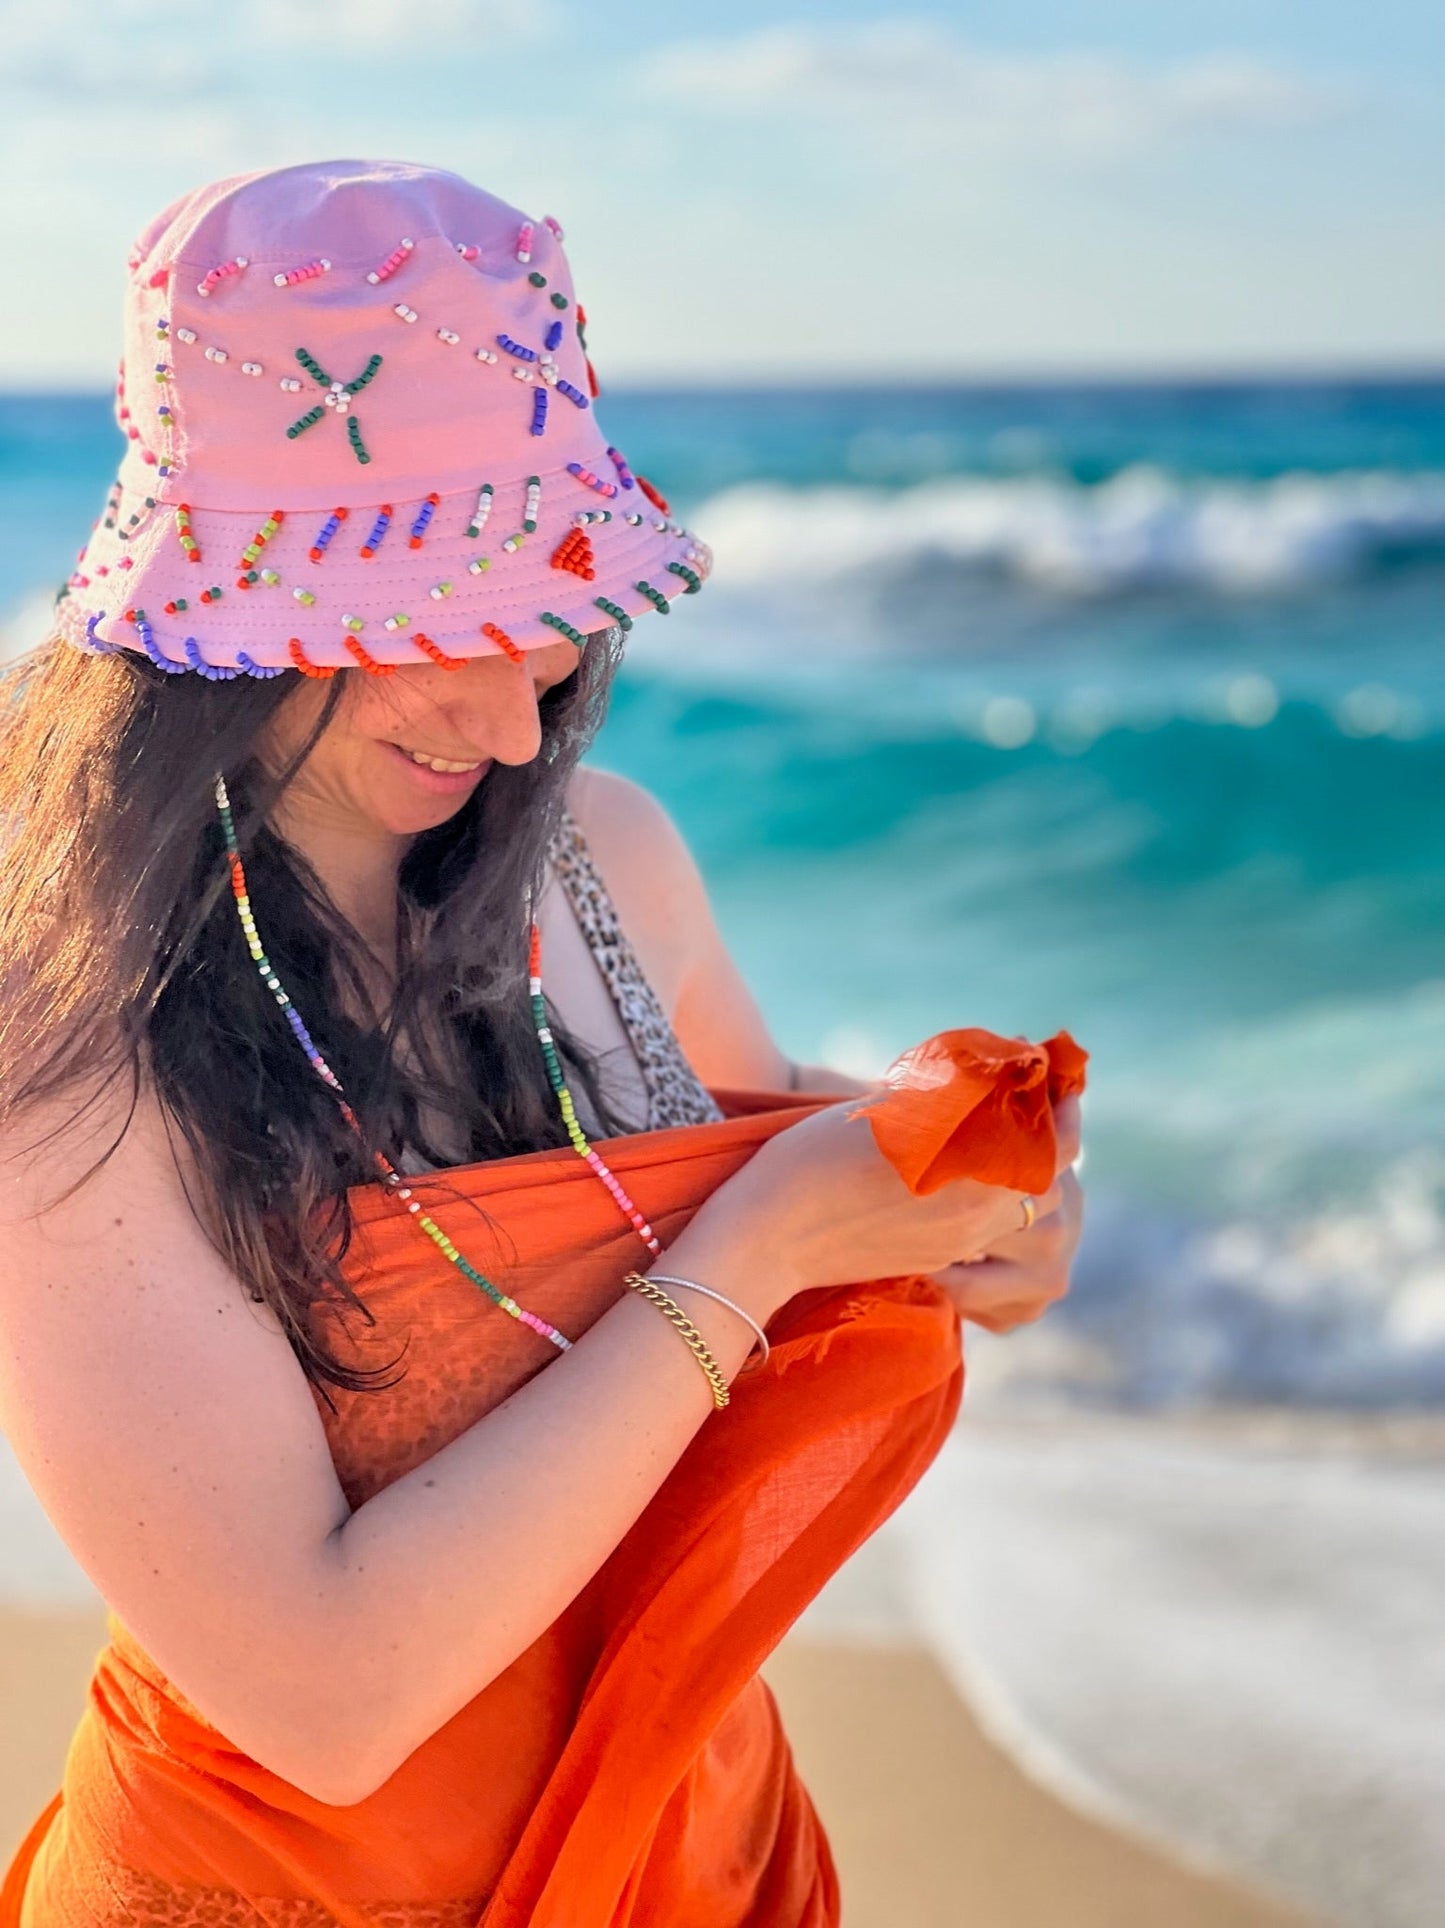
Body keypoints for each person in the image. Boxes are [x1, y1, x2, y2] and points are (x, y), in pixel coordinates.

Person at [0, 161, 1082, 1926]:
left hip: (697, 1848)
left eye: (554, 625)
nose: (515, 729)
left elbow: (867, 1246)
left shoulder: (605, 875)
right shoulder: (63, 1041)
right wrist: (765, 1238)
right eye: (440, 633)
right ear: (233, 619)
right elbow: (323, 1699)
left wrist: (991, 1221)